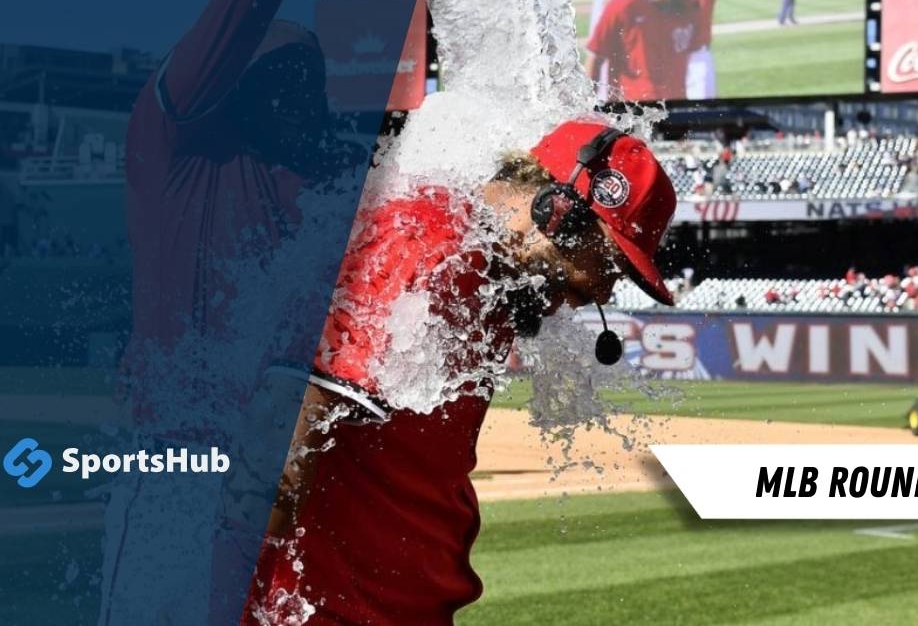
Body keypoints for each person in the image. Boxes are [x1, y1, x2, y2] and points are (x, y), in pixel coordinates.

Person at [244, 121, 678, 625]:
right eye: (609, 263)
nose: (603, 293)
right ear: (559, 215)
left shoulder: (497, 280)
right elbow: (275, 458)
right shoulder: (422, 245)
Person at [105, 0, 361, 623]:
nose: (305, 99)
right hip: (176, 472)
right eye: (287, 83)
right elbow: (240, 5)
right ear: (237, 89)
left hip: (275, 487)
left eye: (313, 86)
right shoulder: (172, 146)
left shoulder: (324, 185)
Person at [585, 0, 707, 102]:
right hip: (632, 109)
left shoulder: (688, 8)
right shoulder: (624, 5)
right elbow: (595, 56)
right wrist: (589, 105)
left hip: (675, 105)